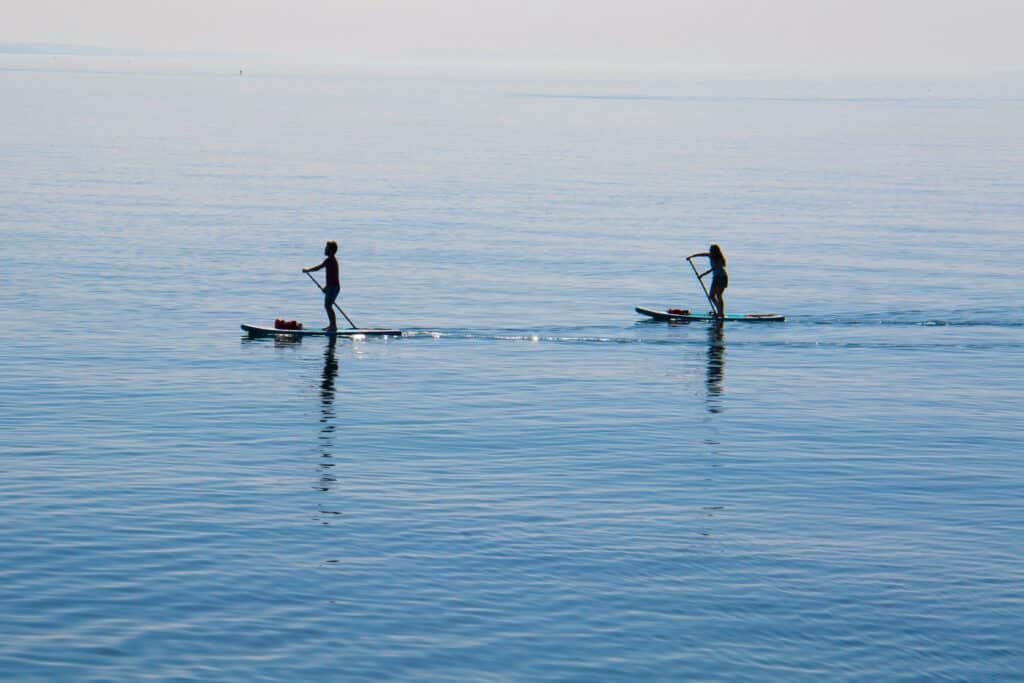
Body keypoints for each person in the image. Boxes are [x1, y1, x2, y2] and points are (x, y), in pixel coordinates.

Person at [303, 241, 341, 331]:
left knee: (328, 305)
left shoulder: (330, 260)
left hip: (333, 287)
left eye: (326, 248)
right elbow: (331, 276)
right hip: (332, 286)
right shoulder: (332, 260)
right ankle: (332, 325)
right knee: (328, 305)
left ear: (331, 250)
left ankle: (333, 326)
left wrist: (307, 270)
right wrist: (326, 287)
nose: (325, 249)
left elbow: (318, 268)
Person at [692, 244, 728, 317]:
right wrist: (693, 256)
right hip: (715, 278)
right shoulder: (711, 256)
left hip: (722, 277)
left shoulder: (719, 259)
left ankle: (721, 313)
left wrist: (702, 275)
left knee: (718, 295)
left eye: (711, 250)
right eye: (710, 250)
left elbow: (713, 269)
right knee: (711, 296)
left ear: (715, 251)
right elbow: (704, 254)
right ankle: (719, 311)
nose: (710, 251)